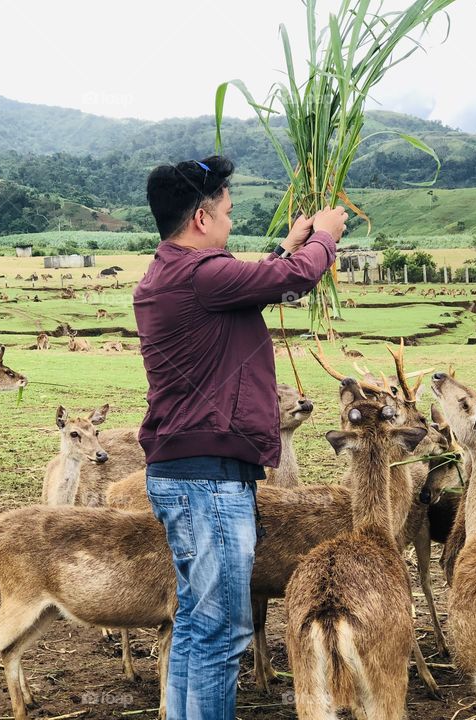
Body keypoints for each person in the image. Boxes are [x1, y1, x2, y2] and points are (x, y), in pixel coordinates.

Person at [133, 155, 346, 720]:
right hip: (210, 481)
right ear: (201, 219)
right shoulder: (201, 275)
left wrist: (286, 246)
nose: (231, 222)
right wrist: (323, 237)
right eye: (227, 213)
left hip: (183, 475)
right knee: (221, 633)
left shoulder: (171, 274)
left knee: (197, 626)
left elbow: (252, 283)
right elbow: (294, 279)